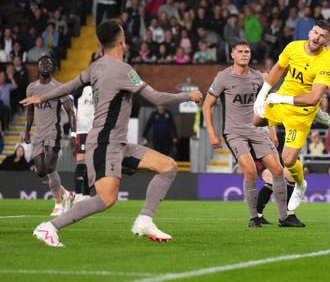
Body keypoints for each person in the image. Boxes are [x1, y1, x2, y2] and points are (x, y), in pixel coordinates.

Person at [22, 19, 203, 247]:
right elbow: (156, 98)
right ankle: (49, 227)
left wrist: (42, 96)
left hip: (117, 144)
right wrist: (188, 96)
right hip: (105, 144)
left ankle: (144, 220)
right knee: (107, 199)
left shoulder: (96, 66)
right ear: (121, 40)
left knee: (168, 166)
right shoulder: (124, 70)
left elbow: (70, 86)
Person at [203, 41, 302, 227]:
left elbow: (267, 105)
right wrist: (212, 133)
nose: (244, 54)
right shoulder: (223, 77)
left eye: (247, 51)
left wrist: (272, 130)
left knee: (278, 169)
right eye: (240, 51)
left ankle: (284, 217)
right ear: (232, 55)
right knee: (249, 170)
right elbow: (207, 105)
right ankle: (254, 218)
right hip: (234, 132)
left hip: (257, 130)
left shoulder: (258, 77)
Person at [253, 19, 330, 212]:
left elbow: (314, 97)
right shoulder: (293, 47)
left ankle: (300, 184)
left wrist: (280, 98)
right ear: (309, 32)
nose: (317, 37)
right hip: (279, 100)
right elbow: (278, 69)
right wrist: (261, 95)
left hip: (301, 111)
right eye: (315, 32)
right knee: (255, 120)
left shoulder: (326, 63)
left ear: (327, 41)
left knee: (288, 160)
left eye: (322, 36)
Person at [24, 56, 77, 217]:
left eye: (49, 64)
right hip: (38, 134)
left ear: (52, 68)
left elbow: (70, 112)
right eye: (42, 64)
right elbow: (30, 111)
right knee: (40, 171)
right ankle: (67, 194)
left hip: (54, 131)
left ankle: (59, 204)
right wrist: (27, 130)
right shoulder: (31, 88)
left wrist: (73, 134)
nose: (46, 66)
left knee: (49, 167)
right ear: (37, 68)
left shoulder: (59, 87)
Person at [73, 85, 94, 201]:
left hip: (95, 131)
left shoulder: (100, 88)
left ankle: (86, 194)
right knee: (81, 161)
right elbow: (69, 100)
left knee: (91, 164)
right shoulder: (81, 89)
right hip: (82, 130)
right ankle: (78, 194)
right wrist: (73, 114)